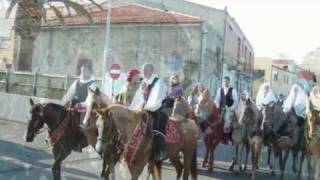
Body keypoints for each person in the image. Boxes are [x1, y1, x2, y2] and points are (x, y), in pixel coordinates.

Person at [129, 63, 168, 161]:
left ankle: (160, 151)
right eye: (143, 70)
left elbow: (156, 98)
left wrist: (145, 107)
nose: (144, 72)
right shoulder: (144, 82)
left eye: (146, 70)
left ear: (152, 70)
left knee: (155, 128)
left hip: (156, 109)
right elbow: (138, 97)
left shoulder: (158, 82)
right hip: (144, 109)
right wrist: (132, 109)